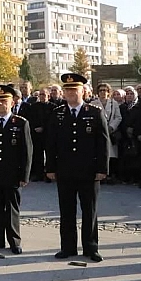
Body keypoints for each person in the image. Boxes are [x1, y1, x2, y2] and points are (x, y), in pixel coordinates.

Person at [46, 73, 109, 263]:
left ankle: (91, 247)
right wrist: (50, 167)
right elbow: (51, 143)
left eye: (75, 89)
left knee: (89, 210)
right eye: (67, 89)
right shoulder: (57, 114)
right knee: (66, 210)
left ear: (83, 91)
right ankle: (68, 247)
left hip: (89, 171)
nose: (71, 93)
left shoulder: (94, 112)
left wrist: (102, 169)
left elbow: (103, 143)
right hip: (65, 170)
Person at [0, 85, 32, 254]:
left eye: (4, 101)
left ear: (12, 102)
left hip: (12, 174)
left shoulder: (21, 123)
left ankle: (14, 240)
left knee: (12, 208)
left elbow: (27, 151)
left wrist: (24, 174)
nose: (0, 104)